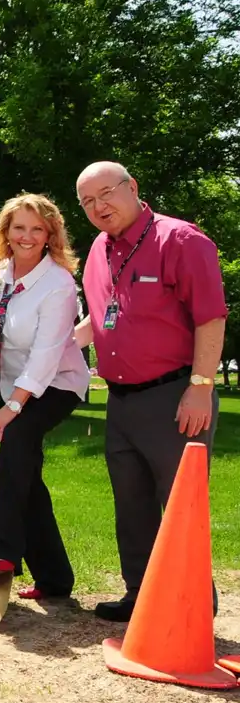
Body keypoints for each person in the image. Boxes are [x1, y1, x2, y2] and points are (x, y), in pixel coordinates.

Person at [74, 161, 228, 622]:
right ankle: (140, 596)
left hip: (175, 395)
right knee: (132, 505)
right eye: (87, 202)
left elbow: (211, 317)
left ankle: (194, 605)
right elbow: (99, 319)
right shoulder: (100, 249)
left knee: (181, 504)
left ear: (132, 187)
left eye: (106, 193)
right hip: (119, 400)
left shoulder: (181, 240)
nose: (99, 206)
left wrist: (200, 388)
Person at [0, 194, 91, 599]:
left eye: (36, 229)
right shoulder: (1, 273)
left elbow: (45, 355)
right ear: (5, 232)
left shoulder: (59, 284)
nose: (26, 236)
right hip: (11, 385)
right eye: (18, 228)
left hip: (56, 384)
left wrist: (12, 408)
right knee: (27, 477)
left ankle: (2, 552)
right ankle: (55, 578)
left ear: (50, 236)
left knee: (19, 443)